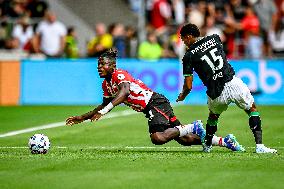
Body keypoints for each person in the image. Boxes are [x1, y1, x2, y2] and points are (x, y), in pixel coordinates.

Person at [66, 49, 244, 152]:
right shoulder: (106, 85)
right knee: (184, 139)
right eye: (98, 65)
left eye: (102, 65)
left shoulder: (120, 75)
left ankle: (193, 126)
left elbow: (125, 93)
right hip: (155, 105)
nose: (99, 68)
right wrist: (82, 118)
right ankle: (224, 141)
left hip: (154, 103)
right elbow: (104, 104)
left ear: (112, 66)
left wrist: (104, 112)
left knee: (157, 138)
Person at [176, 23, 277, 153]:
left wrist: (183, 95)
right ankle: (260, 146)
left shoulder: (188, 56)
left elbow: (188, 85)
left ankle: (207, 145)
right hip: (232, 83)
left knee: (213, 117)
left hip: (215, 92)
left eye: (183, 38)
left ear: (189, 36)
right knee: (251, 109)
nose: (183, 41)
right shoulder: (214, 38)